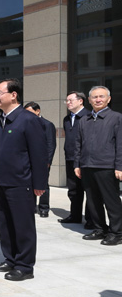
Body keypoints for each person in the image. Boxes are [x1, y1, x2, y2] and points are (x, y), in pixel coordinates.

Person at [0, 80, 48, 281]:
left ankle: (24, 266)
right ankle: (10, 258)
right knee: (5, 223)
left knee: (23, 225)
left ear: (14, 94)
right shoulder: (0, 120)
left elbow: (39, 154)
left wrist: (40, 184)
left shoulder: (28, 120)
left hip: (22, 182)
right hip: (2, 181)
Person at [75, 86, 122, 246]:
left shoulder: (116, 118)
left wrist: (119, 166)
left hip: (107, 166)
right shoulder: (84, 120)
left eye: (101, 96)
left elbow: (121, 144)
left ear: (108, 99)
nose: (98, 99)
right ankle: (100, 228)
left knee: (111, 201)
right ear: (89, 100)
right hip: (87, 165)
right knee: (93, 201)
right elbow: (78, 144)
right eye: (94, 97)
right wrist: (77, 164)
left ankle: (117, 232)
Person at [60, 91, 92, 227]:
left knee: (89, 190)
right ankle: (75, 215)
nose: (68, 103)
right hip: (70, 158)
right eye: (66, 100)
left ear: (81, 101)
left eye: (70, 100)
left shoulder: (89, 117)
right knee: (73, 190)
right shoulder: (67, 119)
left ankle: (91, 219)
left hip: (85, 160)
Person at [23, 102, 56, 218]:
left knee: (43, 184)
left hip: (43, 161)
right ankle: (31, 207)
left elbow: (51, 145)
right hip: (29, 161)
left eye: (30, 112)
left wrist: (48, 162)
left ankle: (44, 208)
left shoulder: (47, 125)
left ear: (38, 111)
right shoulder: (26, 124)